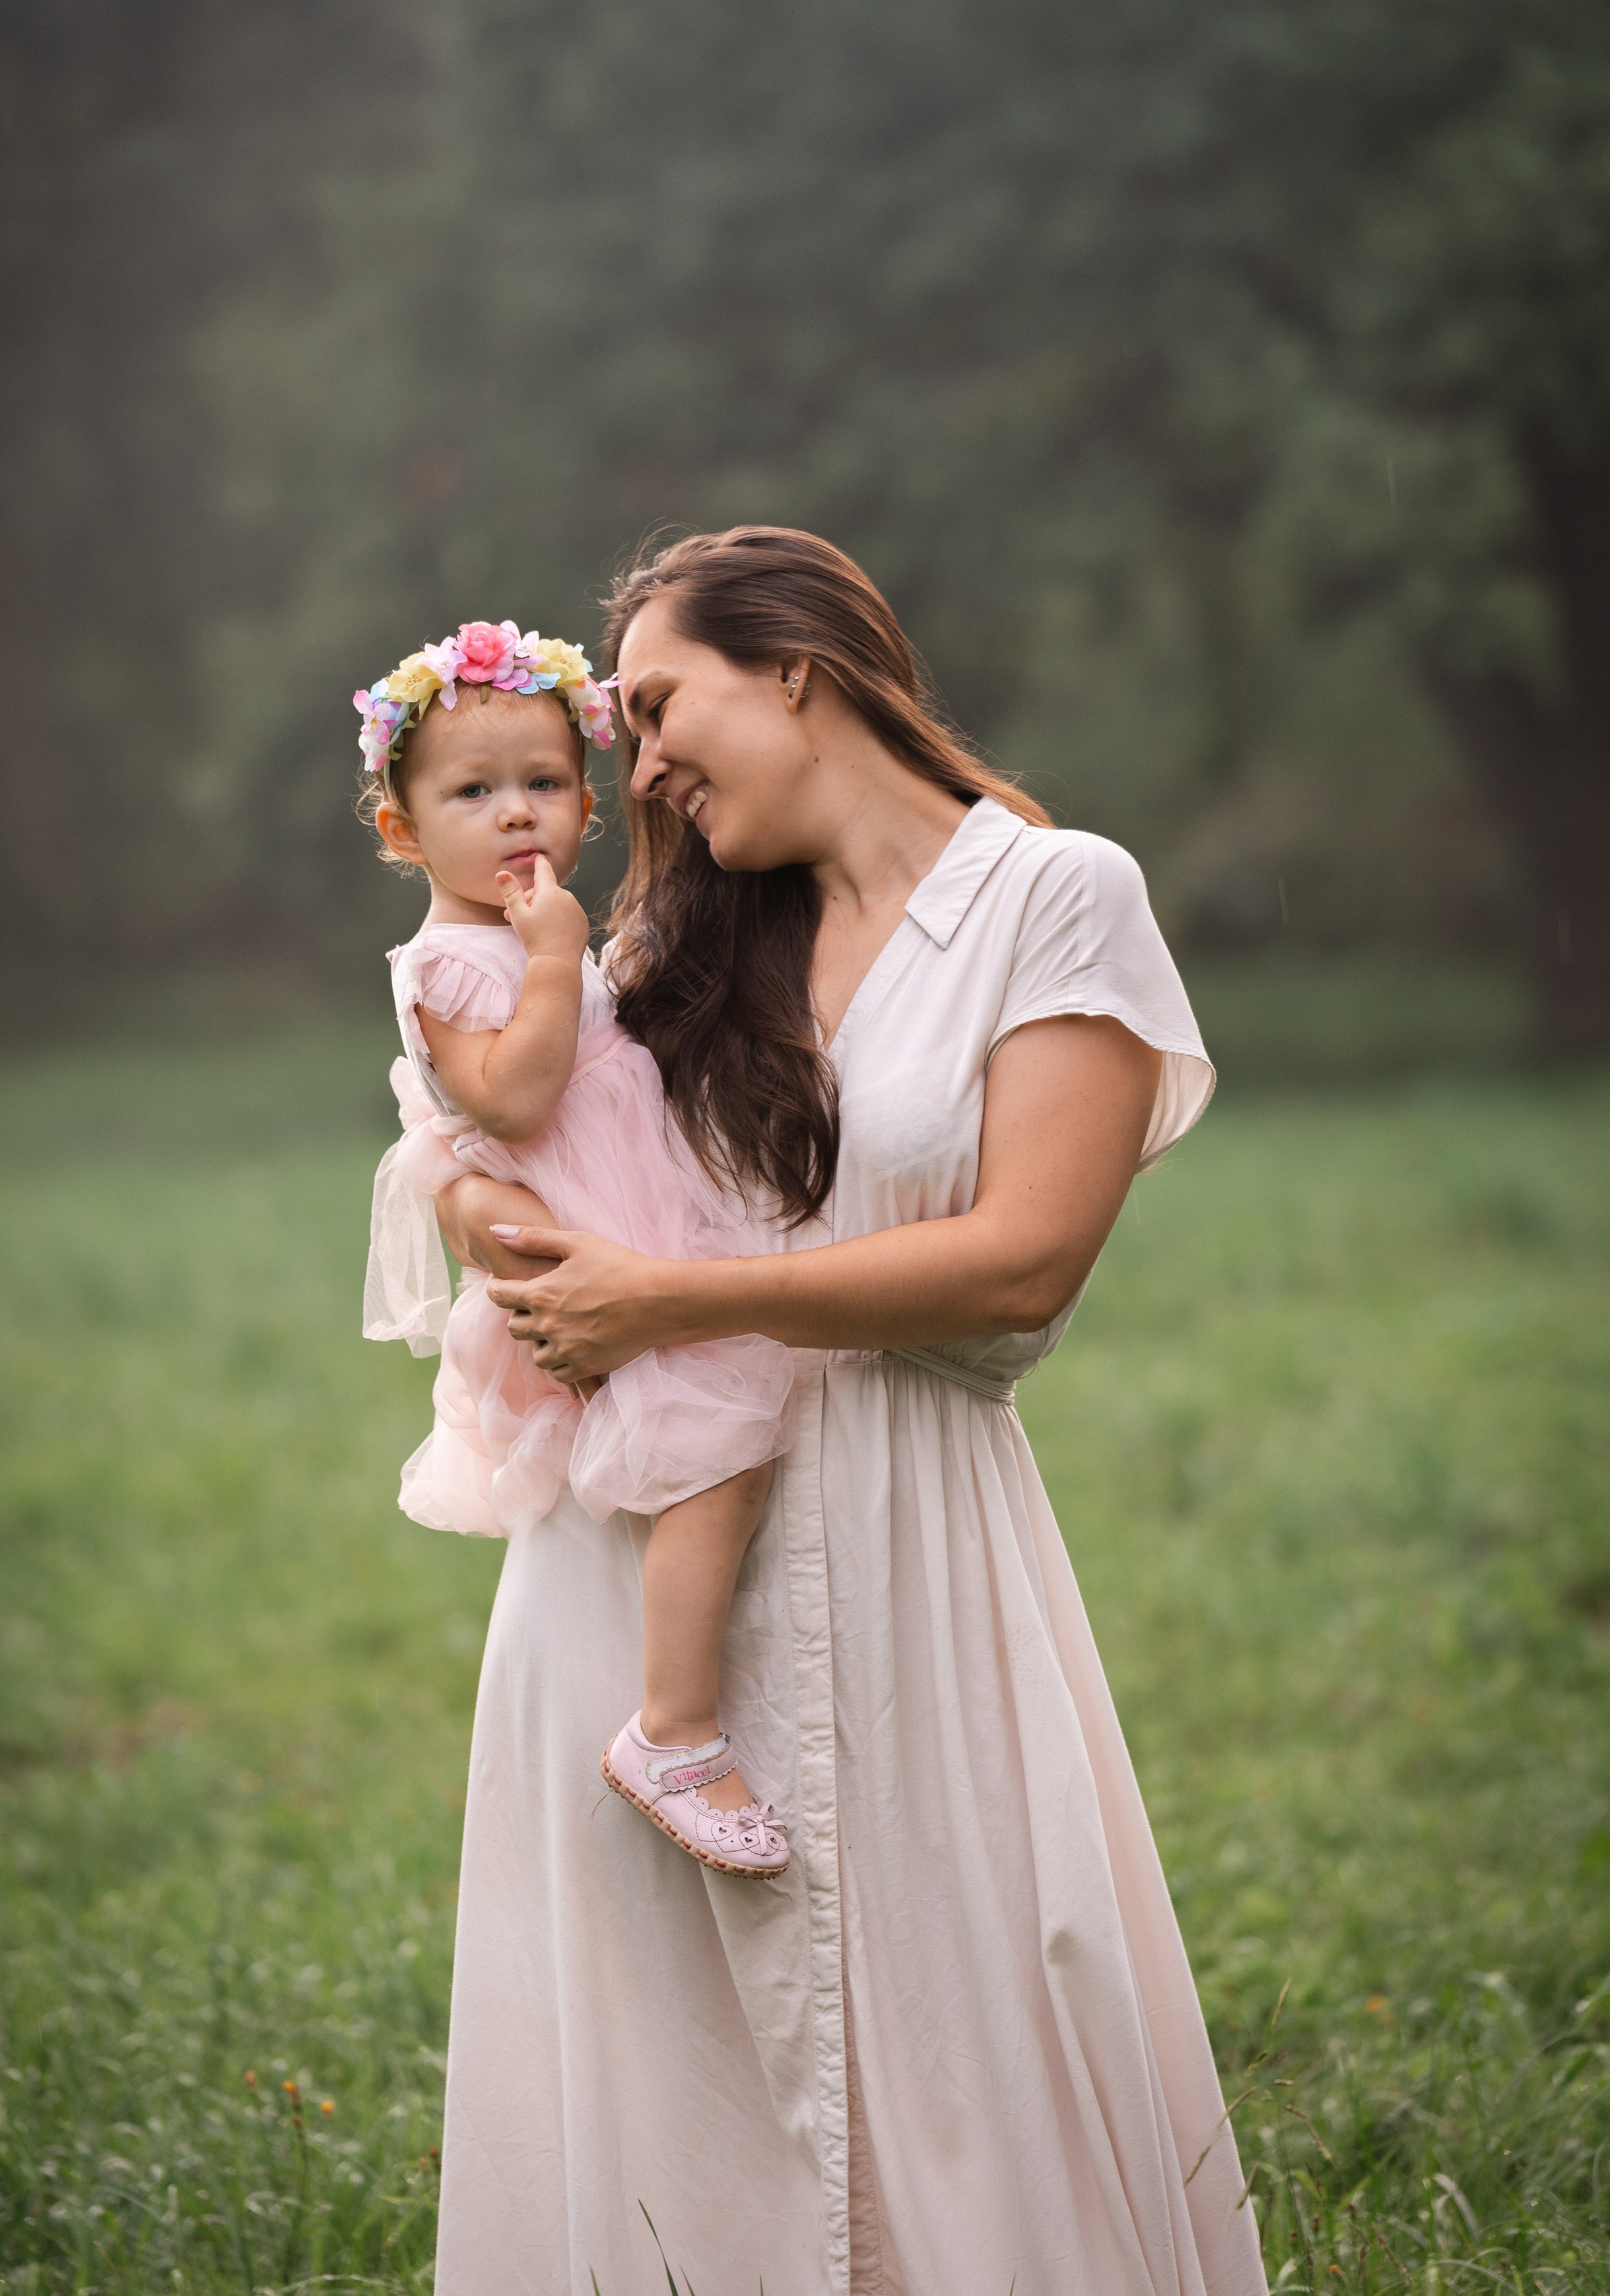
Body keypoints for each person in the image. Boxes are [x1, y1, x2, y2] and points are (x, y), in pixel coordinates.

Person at [431, 531, 1269, 2296]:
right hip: (632, 1568)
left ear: (796, 669)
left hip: (914, 1542)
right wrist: (486, 1219)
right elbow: (485, 1135)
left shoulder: (1050, 898)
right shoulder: (670, 943)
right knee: (671, 2087)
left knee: (967, 2036)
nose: (636, 765)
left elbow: (1023, 1261)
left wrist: (674, 1297)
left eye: (661, 705)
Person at [356, 617, 797, 1878]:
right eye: (472, 793)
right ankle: (675, 1731)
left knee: (721, 1450)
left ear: (588, 807)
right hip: (589, 1243)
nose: (516, 813)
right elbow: (514, 1100)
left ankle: (689, 1708)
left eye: (544, 783)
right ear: (402, 830)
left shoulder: (524, 939)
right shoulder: (449, 964)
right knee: (715, 1447)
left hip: (637, 1219)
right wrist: (558, 960)